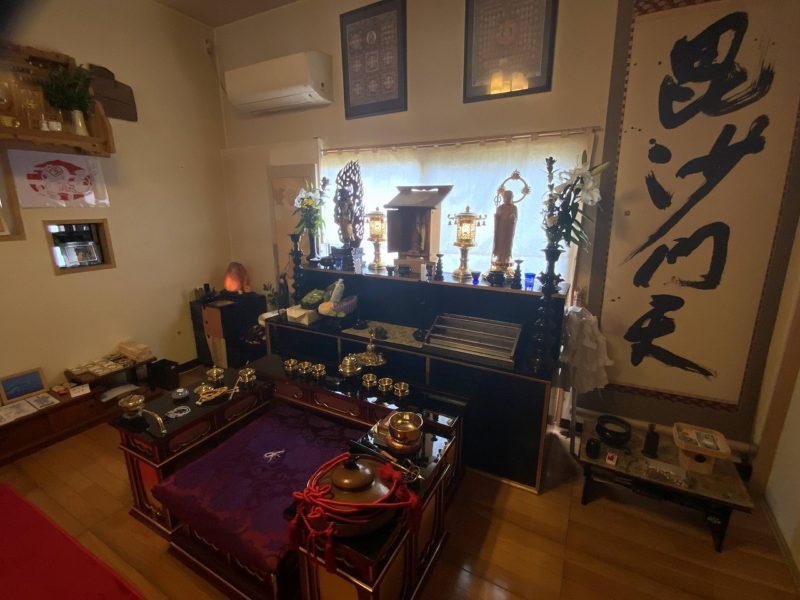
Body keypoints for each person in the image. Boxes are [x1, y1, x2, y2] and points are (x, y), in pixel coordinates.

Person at [491, 189, 517, 272]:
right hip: (501, 229)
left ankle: (506, 258)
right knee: (500, 243)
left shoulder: (514, 208)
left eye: (509, 197)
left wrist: (513, 218)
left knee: (507, 244)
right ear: (503, 198)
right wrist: (496, 217)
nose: (508, 199)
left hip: (509, 229)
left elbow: (515, 218)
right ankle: (499, 258)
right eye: (506, 197)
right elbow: (497, 218)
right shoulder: (500, 207)